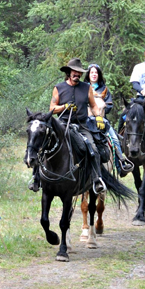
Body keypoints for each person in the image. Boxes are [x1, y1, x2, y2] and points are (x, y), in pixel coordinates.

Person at [31, 58, 106, 194]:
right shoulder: (59, 88)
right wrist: (64, 107)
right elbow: (52, 108)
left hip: (82, 126)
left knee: (93, 149)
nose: (77, 74)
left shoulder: (86, 88)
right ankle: (36, 178)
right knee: (44, 144)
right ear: (69, 72)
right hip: (62, 124)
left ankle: (97, 180)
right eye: (74, 72)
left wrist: (99, 117)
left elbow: (94, 106)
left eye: (79, 72)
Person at [84, 63, 134, 177]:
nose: (94, 74)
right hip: (86, 120)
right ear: (88, 74)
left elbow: (110, 106)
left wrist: (101, 107)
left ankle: (120, 164)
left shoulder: (104, 89)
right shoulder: (83, 87)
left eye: (96, 72)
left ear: (99, 75)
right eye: (92, 72)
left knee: (115, 139)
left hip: (101, 120)